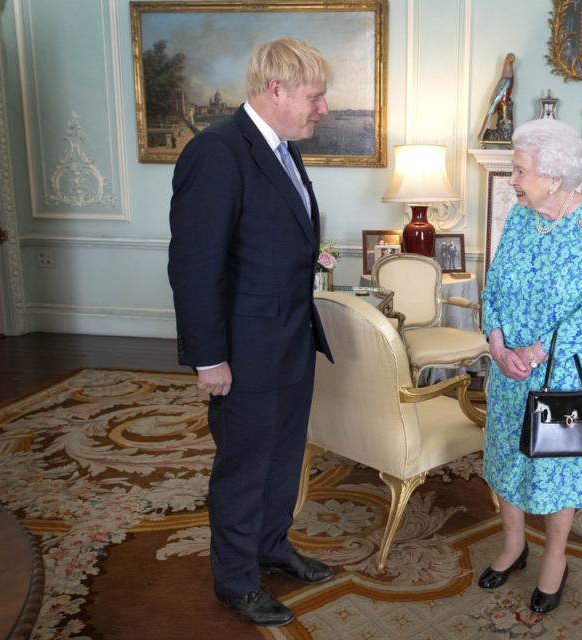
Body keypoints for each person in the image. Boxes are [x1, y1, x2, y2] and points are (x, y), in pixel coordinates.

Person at [167, 37, 334, 627]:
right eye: (315, 97)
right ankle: (236, 580)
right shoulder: (215, 153)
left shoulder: (284, 150)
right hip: (243, 351)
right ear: (276, 90)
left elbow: (271, 239)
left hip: (291, 340)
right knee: (244, 467)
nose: (323, 108)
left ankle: (272, 547)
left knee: (285, 457)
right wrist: (208, 359)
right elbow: (194, 267)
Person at [478, 118, 582, 613]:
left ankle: (555, 558)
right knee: (505, 457)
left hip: (563, 373)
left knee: (558, 466)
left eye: (519, 170)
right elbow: (494, 285)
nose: (512, 179)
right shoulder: (519, 216)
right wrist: (498, 347)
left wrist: (536, 353)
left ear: (554, 176)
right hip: (509, 369)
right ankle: (514, 546)